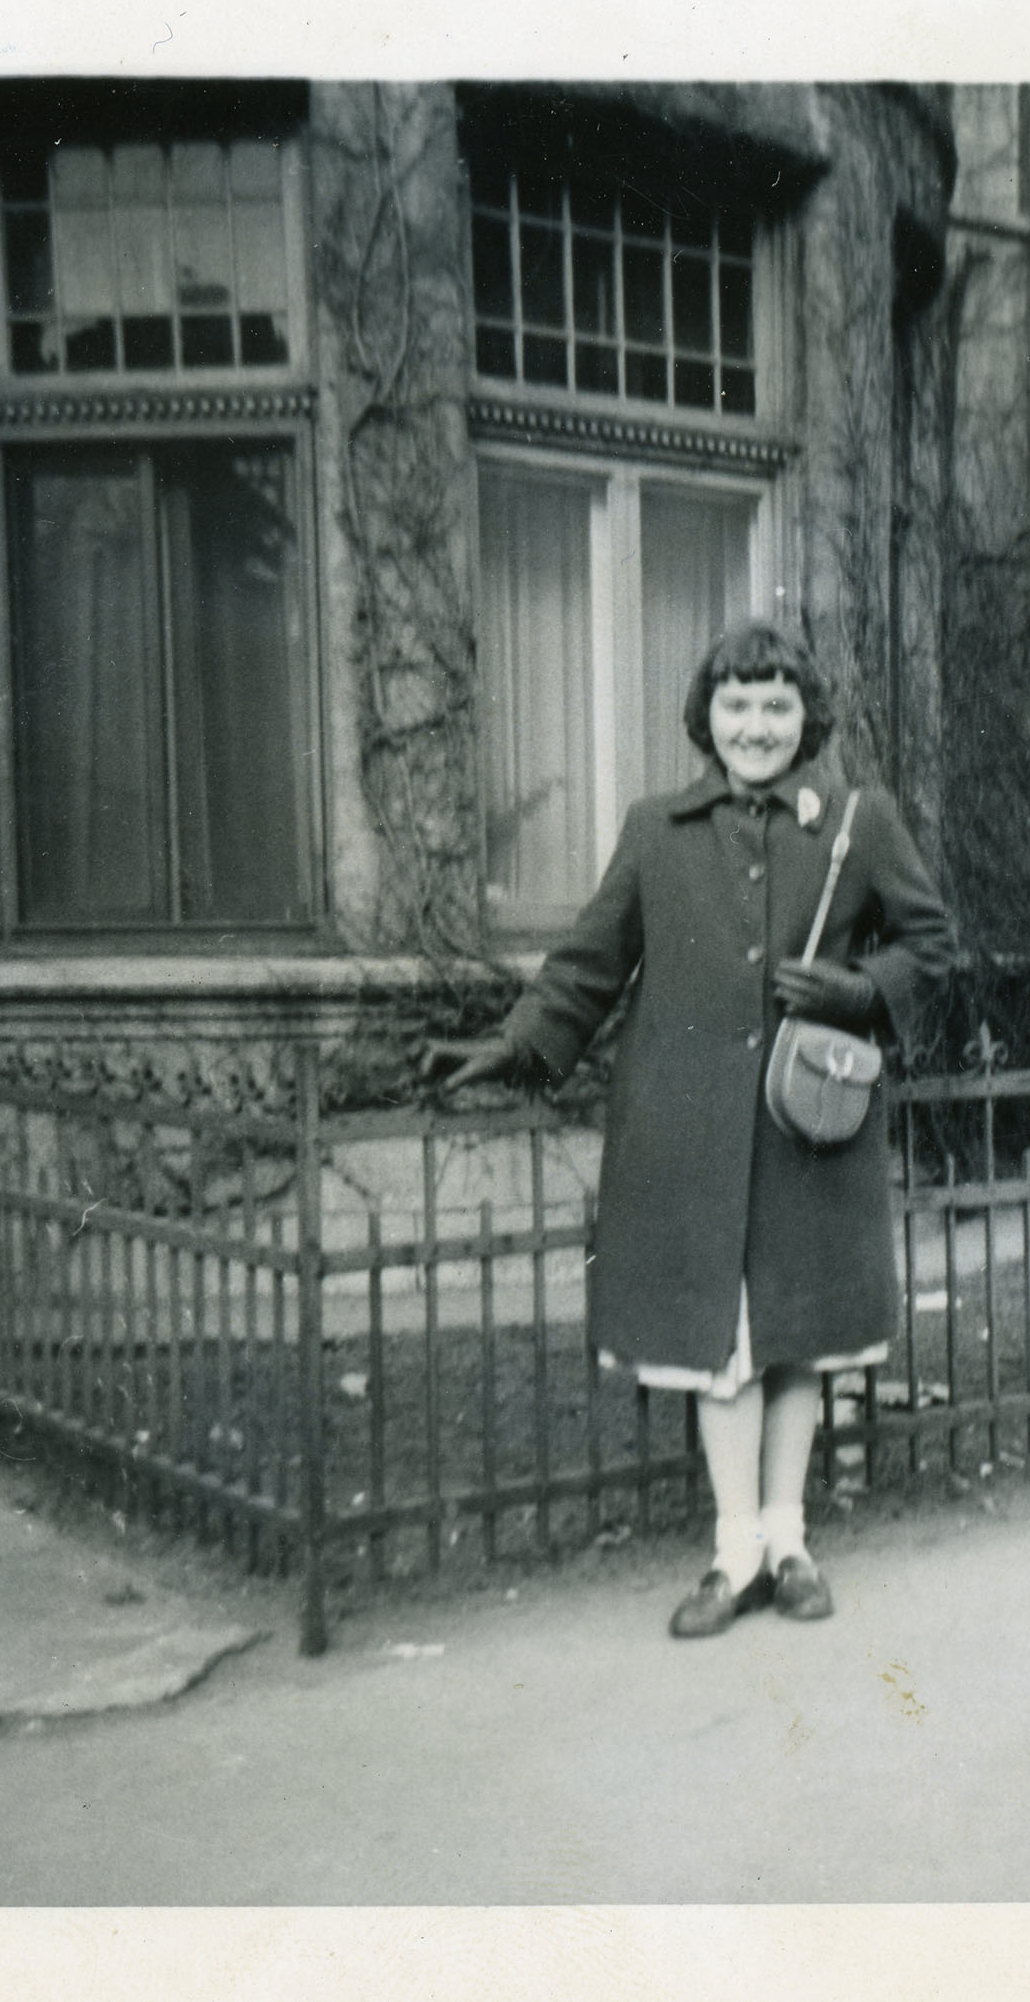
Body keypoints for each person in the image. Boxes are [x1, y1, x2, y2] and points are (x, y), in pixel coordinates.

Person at [424, 621, 957, 1638]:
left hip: (806, 1130)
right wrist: (513, 1043)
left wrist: (856, 989)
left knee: (795, 1337)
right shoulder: (655, 828)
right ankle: (734, 1554)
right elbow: (588, 963)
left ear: (807, 718)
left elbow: (931, 946)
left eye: (775, 705)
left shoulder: (856, 819)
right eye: (736, 705)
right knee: (722, 1345)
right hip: (685, 1133)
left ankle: (790, 1542)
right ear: (705, 719)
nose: (755, 726)